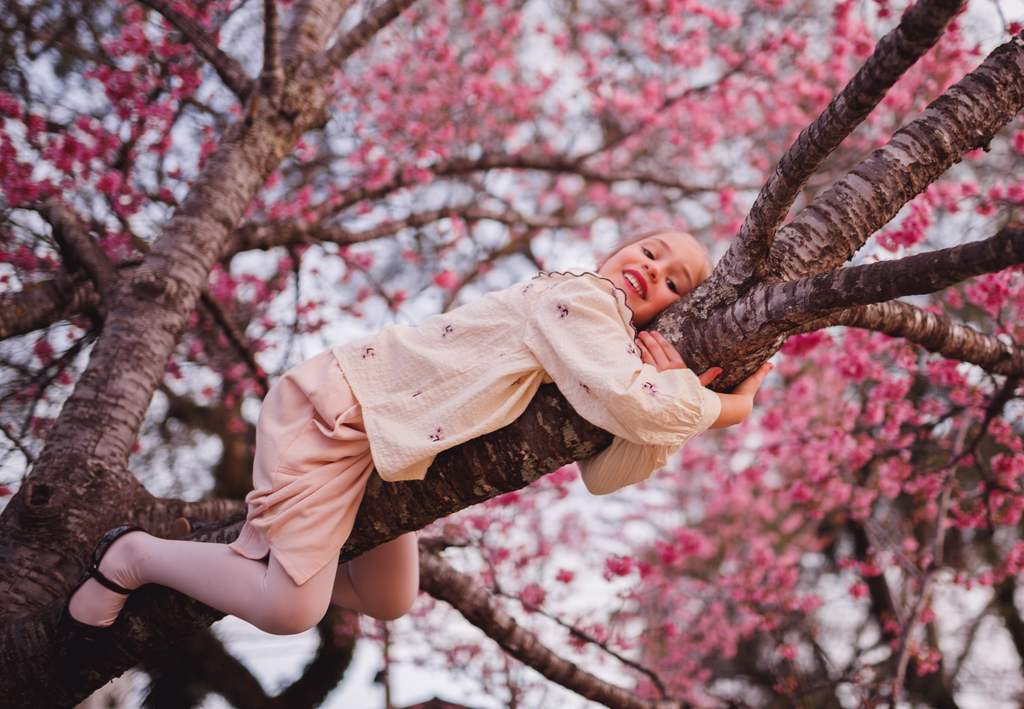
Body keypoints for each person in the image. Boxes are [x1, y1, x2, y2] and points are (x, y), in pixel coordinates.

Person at [59, 230, 771, 646]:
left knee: (391, 598)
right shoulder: (580, 297)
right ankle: (134, 555)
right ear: (617, 249)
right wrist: (729, 407)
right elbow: (630, 401)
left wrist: (682, 394)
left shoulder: (602, 344)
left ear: (674, 314)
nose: (653, 270)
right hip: (336, 412)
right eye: (649, 251)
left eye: (674, 283)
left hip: (384, 452)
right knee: (289, 609)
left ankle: (270, 558)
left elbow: (608, 471)